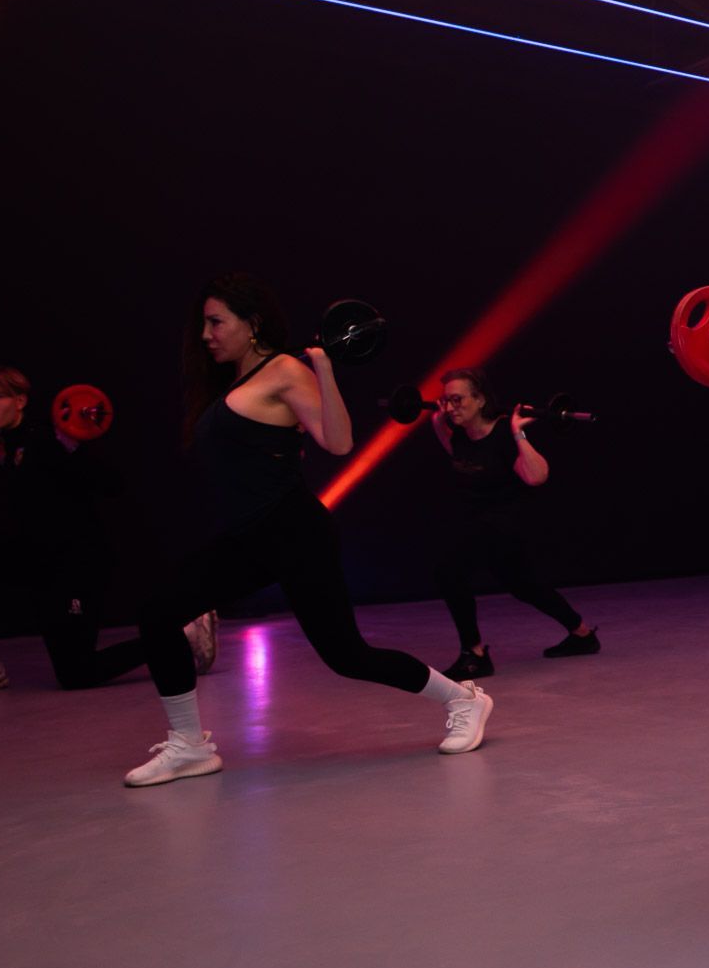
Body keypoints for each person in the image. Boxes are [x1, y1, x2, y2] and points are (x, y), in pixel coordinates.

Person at [123, 273, 493, 788]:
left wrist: (322, 369)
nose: (206, 334)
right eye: (203, 323)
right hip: (249, 539)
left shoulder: (284, 370)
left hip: (295, 533)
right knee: (159, 610)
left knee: (346, 656)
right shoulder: (233, 383)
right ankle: (189, 746)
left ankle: (465, 698)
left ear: (251, 324)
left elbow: (339, 443)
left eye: (216, 322)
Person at [0, 365, 216, 695]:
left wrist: (74, 449)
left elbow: (113, 484)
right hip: (36, 558)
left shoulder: (48, 439)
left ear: (20, 401)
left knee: (76, 674)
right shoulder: (4, 444)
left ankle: (181, 635)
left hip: (75, 567)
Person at [428, 367, 597, 680]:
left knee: (449, 571)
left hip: (508, 523)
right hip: (478, 522)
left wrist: (519, 432)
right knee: (524, 586)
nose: (450, 407)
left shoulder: (504, 433)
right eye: (445, 401)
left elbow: (536, 477)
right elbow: (442, 432)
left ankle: (474, 654)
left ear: (480, 400)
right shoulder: (460, 435)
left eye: (457, 400)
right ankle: (583, 634)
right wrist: (438, 416)